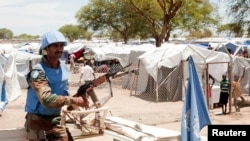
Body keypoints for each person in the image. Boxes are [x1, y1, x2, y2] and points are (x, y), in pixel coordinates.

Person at [24, 31, 89, 141]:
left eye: (61, 45)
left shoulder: (63, 67)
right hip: (37, 121)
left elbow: (63, 94)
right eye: (55, 46)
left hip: (56, 118)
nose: (59, 49)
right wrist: (75, 100)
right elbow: (47, 100)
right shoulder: (38, 72)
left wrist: (79, 96)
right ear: (46, 48)